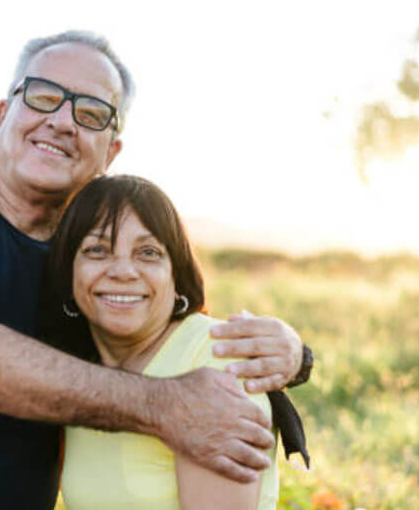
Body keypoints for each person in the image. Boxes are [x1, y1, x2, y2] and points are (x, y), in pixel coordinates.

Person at [0, 31, 310, 509]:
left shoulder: (86, 265)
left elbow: (160, 334)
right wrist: (166, 406)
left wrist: (294, 355)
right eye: (43, 97)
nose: (63, 122)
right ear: (1, 117)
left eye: (92, 113)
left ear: (110, 152)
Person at [44, 174, 282, 509]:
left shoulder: (216, 364)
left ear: (176, 275)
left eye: (148, 252)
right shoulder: (79, 373)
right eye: (97, 250)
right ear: (68, 272)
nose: (123, 271)